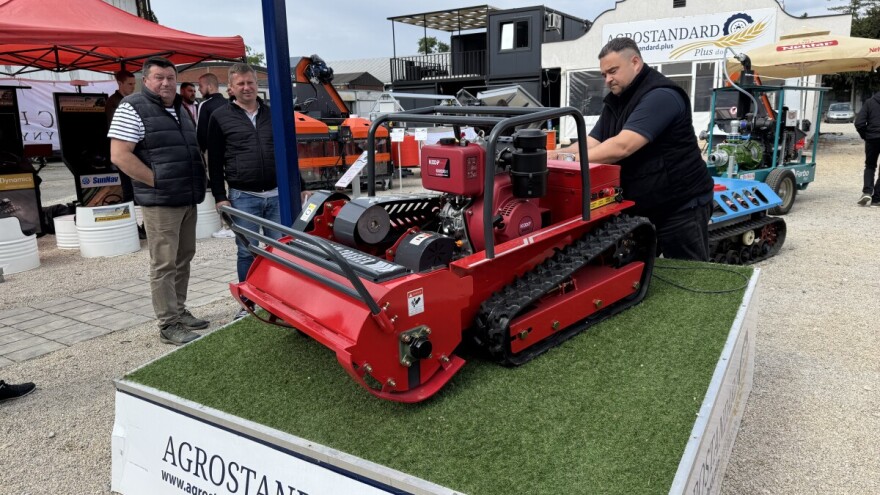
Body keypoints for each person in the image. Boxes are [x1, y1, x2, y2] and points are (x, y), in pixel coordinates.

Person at [561, 37, 714, 261]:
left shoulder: (661, 95)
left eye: (612, 71)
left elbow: (622, 146)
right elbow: (594, 140)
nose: (607, 80)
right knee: (639, 275)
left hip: (680, 205)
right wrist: (555, 155)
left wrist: (570, 162)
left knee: (687, 274)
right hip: (644, 204)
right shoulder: (617, 99)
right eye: (604, 74)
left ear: (635, 62)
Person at [108, 56, 209, 345]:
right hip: (161, 200)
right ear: (146, 80)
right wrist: (158, 181)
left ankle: (178, 309)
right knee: (164, 263)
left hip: (186, 196)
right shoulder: (132, 107)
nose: (165, 83)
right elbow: (120, 155)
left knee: (183, 257)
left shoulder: (180, 107)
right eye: (158, 78)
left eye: (170, 78)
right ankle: (168, 324)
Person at [207, 63, 281, 319]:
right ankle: (248, 301)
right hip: (243, 196)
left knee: (280, 250)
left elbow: (288, 153)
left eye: (250, 82)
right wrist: (220, 195)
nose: (247, 88)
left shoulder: (274, 114)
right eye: (241, 84)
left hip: (276, 194)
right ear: (230, 88)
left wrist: (300, 187)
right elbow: (214, 160)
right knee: (247, 249)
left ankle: (280, 299)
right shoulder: (219, 117)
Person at [196, 73, 235, 239]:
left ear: (209, 86)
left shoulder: (205, 105)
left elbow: (201, 134)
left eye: (200, 86)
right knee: (231, 186)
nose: (199, 90)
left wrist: (199, 153)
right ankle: (234, 223)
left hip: (213, 152)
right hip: (232, 152)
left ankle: (226, 225)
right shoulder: (228, 103)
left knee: (219, 188)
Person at [854, 94, 880, 207]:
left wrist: (867, 136)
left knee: (870, 166)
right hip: (872, 137)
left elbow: (859, 123)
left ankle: (867, 192)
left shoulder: (869, 102)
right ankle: (877, 199)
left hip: (872, 139)